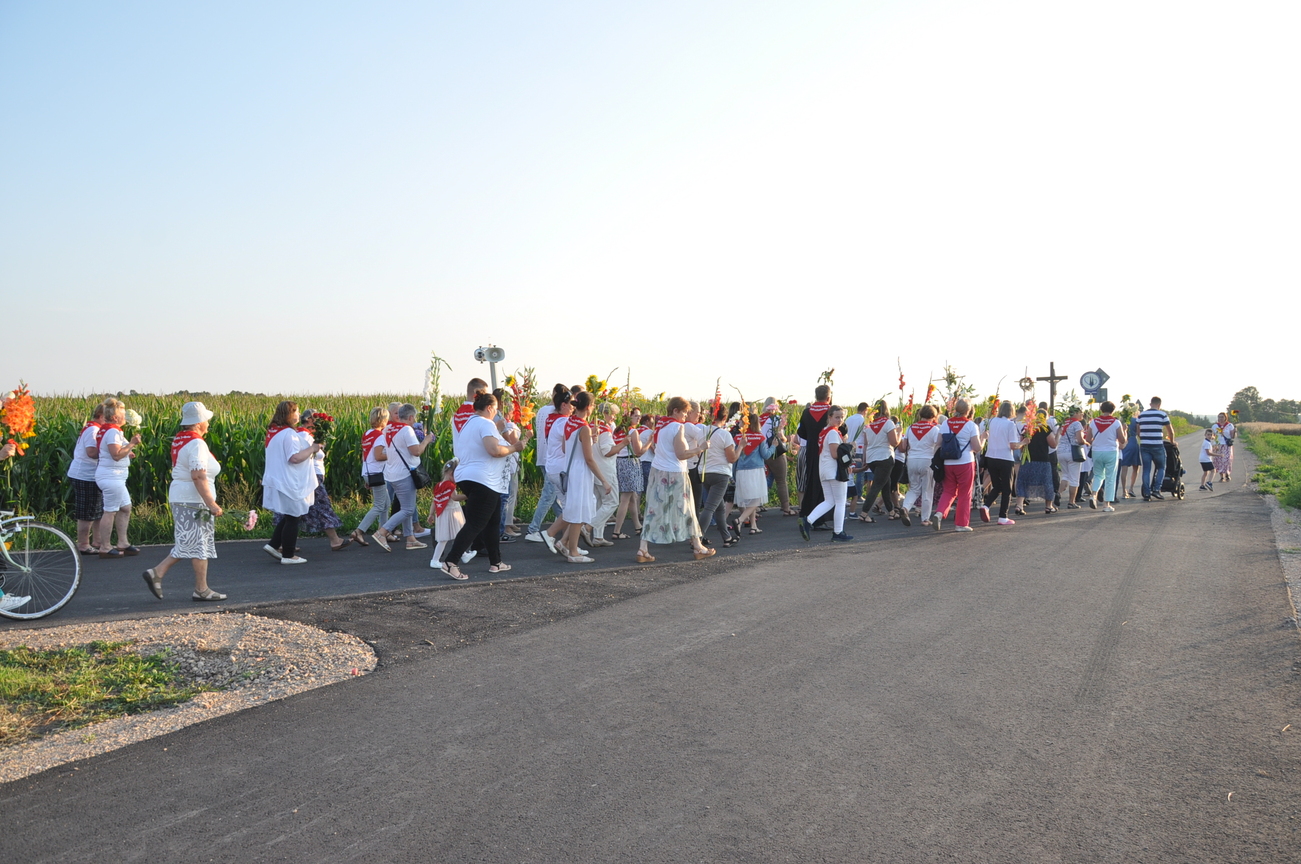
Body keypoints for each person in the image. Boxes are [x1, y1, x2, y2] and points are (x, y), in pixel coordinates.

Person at [141, 402, 227, 601]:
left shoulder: (180, 439)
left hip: (182, 497)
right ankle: (201, 589)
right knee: (199, 544)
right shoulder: (197, 443)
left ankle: (158, 573)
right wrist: (211, 503)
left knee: (190, 541)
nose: (208, 424)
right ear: (199, 422)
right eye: (206, 420)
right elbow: (198, 475)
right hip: (193, 500)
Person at [441, 392, 530, 579]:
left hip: (471, 477)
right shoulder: (486, 424)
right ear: (489, 408)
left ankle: (496, 562)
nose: (497, 412)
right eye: (496, 409)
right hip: (483, 479)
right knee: (476, 523)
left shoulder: (469, 424)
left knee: (493, 521)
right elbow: (494, 450)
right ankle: (450, 562)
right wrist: (515, 447)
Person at [636, 396, 714, 563]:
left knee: (653, 509)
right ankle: (698, 546)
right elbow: (681, 454)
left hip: (658, 470)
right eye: (684, 412)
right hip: (675, 473)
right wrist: (700, 448)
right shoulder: (678, 427)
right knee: (687, 509)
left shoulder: (660, 426)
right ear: (675, 410)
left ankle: (643, 548)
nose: (686, 416)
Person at [551, 392, 612, 564]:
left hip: (571, 469)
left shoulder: (570, 422)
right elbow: (589, 459)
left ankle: (569, 546)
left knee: (577, 509)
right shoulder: (584, 427)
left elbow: (565, 448)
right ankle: (573, 551)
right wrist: (604, 480)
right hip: (581, 472)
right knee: (579, 512)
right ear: (588, 407)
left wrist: (589, 440)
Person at [262, 400, 322, 564]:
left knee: (290, 515)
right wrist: (313, 448)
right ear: (289, 414)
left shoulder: (274, 431)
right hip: (290, 481)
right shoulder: (288, 434)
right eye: (296, 411)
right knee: (294, 517)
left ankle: (274, 545)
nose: (299, 414)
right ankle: (288, 555)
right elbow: (294, 458)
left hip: (280, 478)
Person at [373, 404, 437, 552]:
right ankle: (382, 532)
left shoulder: (388, 429)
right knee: (408, 509)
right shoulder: (407, 430)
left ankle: (410, 539)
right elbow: (416, 451)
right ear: (410, 417)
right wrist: (426, 440)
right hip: (405, 474)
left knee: (405, 506)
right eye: (414, 418)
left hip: (391, 474)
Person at [93, 398, 142, 558]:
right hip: (111, 477)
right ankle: (105, 547)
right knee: (110, 511)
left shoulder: (110, 430)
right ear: (115, 417)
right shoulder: (113, 432)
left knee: (125, 507)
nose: (125, 417)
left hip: (116, 477)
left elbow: (117, 450)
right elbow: (116, 455)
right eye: (122, 414)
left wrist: (128, 450)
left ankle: (123, 542)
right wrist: (132, 444)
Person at [798, 406, 854, 541]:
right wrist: (850, 448)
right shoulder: (833, 433)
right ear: (829, 417)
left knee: (830, 501)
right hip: (834, 471)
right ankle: (838, 532)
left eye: (842, 417)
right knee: (840, 502)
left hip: (824, 470)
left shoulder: (824, 431)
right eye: (837, 417)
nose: (840, 420)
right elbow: (835, 454)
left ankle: (808, 520)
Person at [299, 410, 351, 551]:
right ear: (310, 420)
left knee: (301, 509)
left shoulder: (308, 435)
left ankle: (281, 542)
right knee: (322, 506)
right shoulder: (305, 436)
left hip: (313, 475)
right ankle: (335, 540)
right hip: (312, 476)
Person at [526, 389, 573, 542]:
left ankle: (568, 527)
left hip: (545, 458)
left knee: (556, 499)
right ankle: (533, 529)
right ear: (563, 404)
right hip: (555, 462)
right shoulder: (562, 420)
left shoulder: (544, 412)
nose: (573, 407)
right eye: (572, 404)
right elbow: (567, 445)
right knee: (549, 497)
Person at [931, 399, 983, 532]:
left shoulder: (946, 423)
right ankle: (961, 523)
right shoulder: (971, 425)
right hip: (965, 462)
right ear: (968, 410)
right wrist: (983, 439)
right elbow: (977, 448)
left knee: (949, 491)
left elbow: (938, 443)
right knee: (965, 493)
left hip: (948, 462)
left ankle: (939, 513)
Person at [697, 402, 740, 547]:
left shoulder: (702, 431)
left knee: (719, 506)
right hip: (720, 474)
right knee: (710, 508)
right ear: (725, 417)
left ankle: (726, 537)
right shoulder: (724, 434)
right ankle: (697, 539)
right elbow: (732, 458)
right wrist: (741, 447)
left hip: (704, 472)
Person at [66, 401, 105, 554]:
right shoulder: (93, 430)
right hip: (85, 475)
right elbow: (91, 452)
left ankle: (98, 541)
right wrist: (111, 452)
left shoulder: (94, 428)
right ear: (101, 416)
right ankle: (83, 544)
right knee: (87, 512)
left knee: (97, 510)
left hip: (92, 475)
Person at [857, 401, 904, 525]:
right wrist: (899, 432)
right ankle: (864, 513)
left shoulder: (869, 424)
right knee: (877, 485)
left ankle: (891, 511)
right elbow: (894, 442)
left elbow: (866, 444)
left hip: (871, 458)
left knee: (886, 484)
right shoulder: (888, 423)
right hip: (885, 457)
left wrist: (865, 459)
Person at [979, 401, 1024, 526]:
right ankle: (1003, 516)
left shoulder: (991, 422)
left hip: (991, 457)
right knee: (1007, 489)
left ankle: (986, 506)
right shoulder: (1010, 424)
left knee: (997, 486)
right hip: (1005, 458)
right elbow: (1013, 445)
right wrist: (1023, 443)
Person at [733, 410, 776, 540]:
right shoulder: (760, 437)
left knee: (749, 499)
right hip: (756, 470)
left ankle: (753, 526)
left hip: (741, 470)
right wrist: (773, 446)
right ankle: (740, 520)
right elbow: (766, 455)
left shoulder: (738, 438)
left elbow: (735, 455)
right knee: (757, 498)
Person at [350, 406, 390, 545]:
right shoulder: (380, 436)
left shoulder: (367, 433)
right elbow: (378, 456)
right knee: (379, 505)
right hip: (377, 473)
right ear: (383, 420)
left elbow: (365, 455)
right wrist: (392, 455)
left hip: (368, 472)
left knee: (386, 504)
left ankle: (383, 531)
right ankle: (359, 531)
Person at [899, 405, 942, 527]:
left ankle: (905, 507)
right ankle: (925, 519)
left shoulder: (910, 428)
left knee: (914, 488)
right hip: (927, 460)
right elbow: (938, 445)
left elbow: (904, 446)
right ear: (934, 416)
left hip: (912, 460)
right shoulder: (934, 429)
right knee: (927, 490)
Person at [797, 385, 834, 526]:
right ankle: (820, 519)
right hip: (826, 451)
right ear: (828, 397)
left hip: (811, 451)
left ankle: (807, 512)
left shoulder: (807, 412)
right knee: (825, 485)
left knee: (811, 482)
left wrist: (812, 437)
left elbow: (801, 432)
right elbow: (841, 429)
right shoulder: (831, 411)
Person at [589, 402, 623, 546]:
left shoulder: (591, 425)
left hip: (594, 469)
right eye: (613, 414)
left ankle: (598, 537)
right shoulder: (605, 429)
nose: (614, 417)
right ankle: (588, 526)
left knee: (599, 503)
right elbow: (607, 451)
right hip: (606, 469)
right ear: (605, 413)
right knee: (612, 502)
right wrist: (623, 444)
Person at [1014, 409, 1059, 515]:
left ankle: (1019, 505)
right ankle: (1048, 506)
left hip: (1027, 459)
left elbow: (1022, 445)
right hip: (1042, 460)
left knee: (1023, 482)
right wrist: (1058, 434)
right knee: (1047, 483)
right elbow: (1053, 445)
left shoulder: (1027, 428)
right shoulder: (1045, 428)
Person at [611, 408, 648, 539]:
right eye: (636, 416)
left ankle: (638, 526)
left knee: (632, 497)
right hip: (630, 462)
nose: (638, 418)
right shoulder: (632, 431)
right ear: (629, 417)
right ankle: (617, 531)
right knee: (625, 498)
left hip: (619, 462)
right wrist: (649, 442)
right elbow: (639, 452)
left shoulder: (617, 431)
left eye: (639, 416)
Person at [1085, 401, 1127, 511]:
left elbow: (1088, 439)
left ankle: (1093, 494)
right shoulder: (1116, 422)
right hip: (1111, 451)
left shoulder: (1093, 422)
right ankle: (1106, 504)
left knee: (1098, 475)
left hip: (1097, 451)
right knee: (1110, 477)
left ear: (1101, 409)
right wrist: (1125, 431)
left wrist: (1097, 442)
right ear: (1113, 410)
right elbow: (1122, 440)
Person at [429, 460, 466, 567]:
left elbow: (435, 500)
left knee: (458, 535)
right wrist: (469, 495)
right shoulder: (449, 485)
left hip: (444, 513)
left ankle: (464, 554)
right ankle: (435, 560)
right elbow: (455, 497)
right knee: (445, 538)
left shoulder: (439, 485)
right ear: (451, 473)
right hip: (451, 513)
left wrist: (431, 513)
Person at [760, 399, 794, 515]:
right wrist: (788, 438)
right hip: (776, 451)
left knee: (765, 479)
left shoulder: (760, 418)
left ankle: (757, 505)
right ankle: (786, 507)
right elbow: (780, 436)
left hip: (763, 450)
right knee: (781, 481)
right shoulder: (775, 419)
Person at [1137, 397, 1174, 501]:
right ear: (1159, 405)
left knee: (1146, 470)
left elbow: (1138, 430)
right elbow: (1170, 431)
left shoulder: (1142, 415)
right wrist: (1172, 442)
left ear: (1150, 404)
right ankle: (1156, 489)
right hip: (1157, 445)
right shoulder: (1162, 414)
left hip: (1144, 445)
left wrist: (1143, 438)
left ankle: (1146, 493)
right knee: (1161, 467)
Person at [1119, 407, 1142, 498]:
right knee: (1135, 466)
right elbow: (1139, 433)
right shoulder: (1136, 420)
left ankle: (1124, 491)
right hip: (1133, 441)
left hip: (1124, 442)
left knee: (1124, 467)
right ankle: (1131, 488)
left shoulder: (1121, 420)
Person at [1211, 412, 1236, 483]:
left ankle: (1227, 473)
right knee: (1218, 460)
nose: (1220, 418)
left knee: (1226, 460)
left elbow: (1232, 436)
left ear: (1225, 417)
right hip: (1217, 445)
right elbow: (1212, 435)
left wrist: (1234, 432)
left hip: (1226, 445)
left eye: (1222, 417)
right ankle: (1222, 476)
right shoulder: (1215, 426)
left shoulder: (1230, 425)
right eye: (1219, 417)